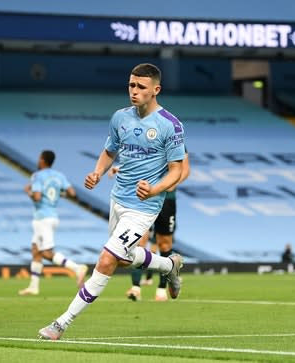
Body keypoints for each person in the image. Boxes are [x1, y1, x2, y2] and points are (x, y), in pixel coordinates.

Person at [38, 63, 186, 340]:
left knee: (106, 259)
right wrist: (97, 172)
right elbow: (109, 151)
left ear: (156, 90)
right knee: (124, 258)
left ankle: (61, 323)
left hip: (144, 207)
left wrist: (155, 189)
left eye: (141, 87)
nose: (134, 91)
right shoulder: (120, 118)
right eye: (131, 85)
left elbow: (177, 170)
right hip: (118, 198)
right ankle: (169, 266)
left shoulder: (170, 125)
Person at [18, 150, 88, 296]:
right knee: (36, 250)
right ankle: (33, 286)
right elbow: (72, 193)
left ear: (43, 160)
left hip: (43, 217)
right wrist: (58, 194)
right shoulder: (59, 176)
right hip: (51, 216)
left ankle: (77, 268)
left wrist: (28, 192)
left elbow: (37, 197)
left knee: (46, 253)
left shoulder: (38, 176)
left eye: (39, 158)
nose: (38, 161)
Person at [125, 151, 190, 302]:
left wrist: (173, 183)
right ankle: (136, 288)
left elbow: (185, 169)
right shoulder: (145, 135)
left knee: (165, 243)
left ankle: (161, 290)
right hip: (145, 197)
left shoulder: (175, 138)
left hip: (167, 199)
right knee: (139, 240)